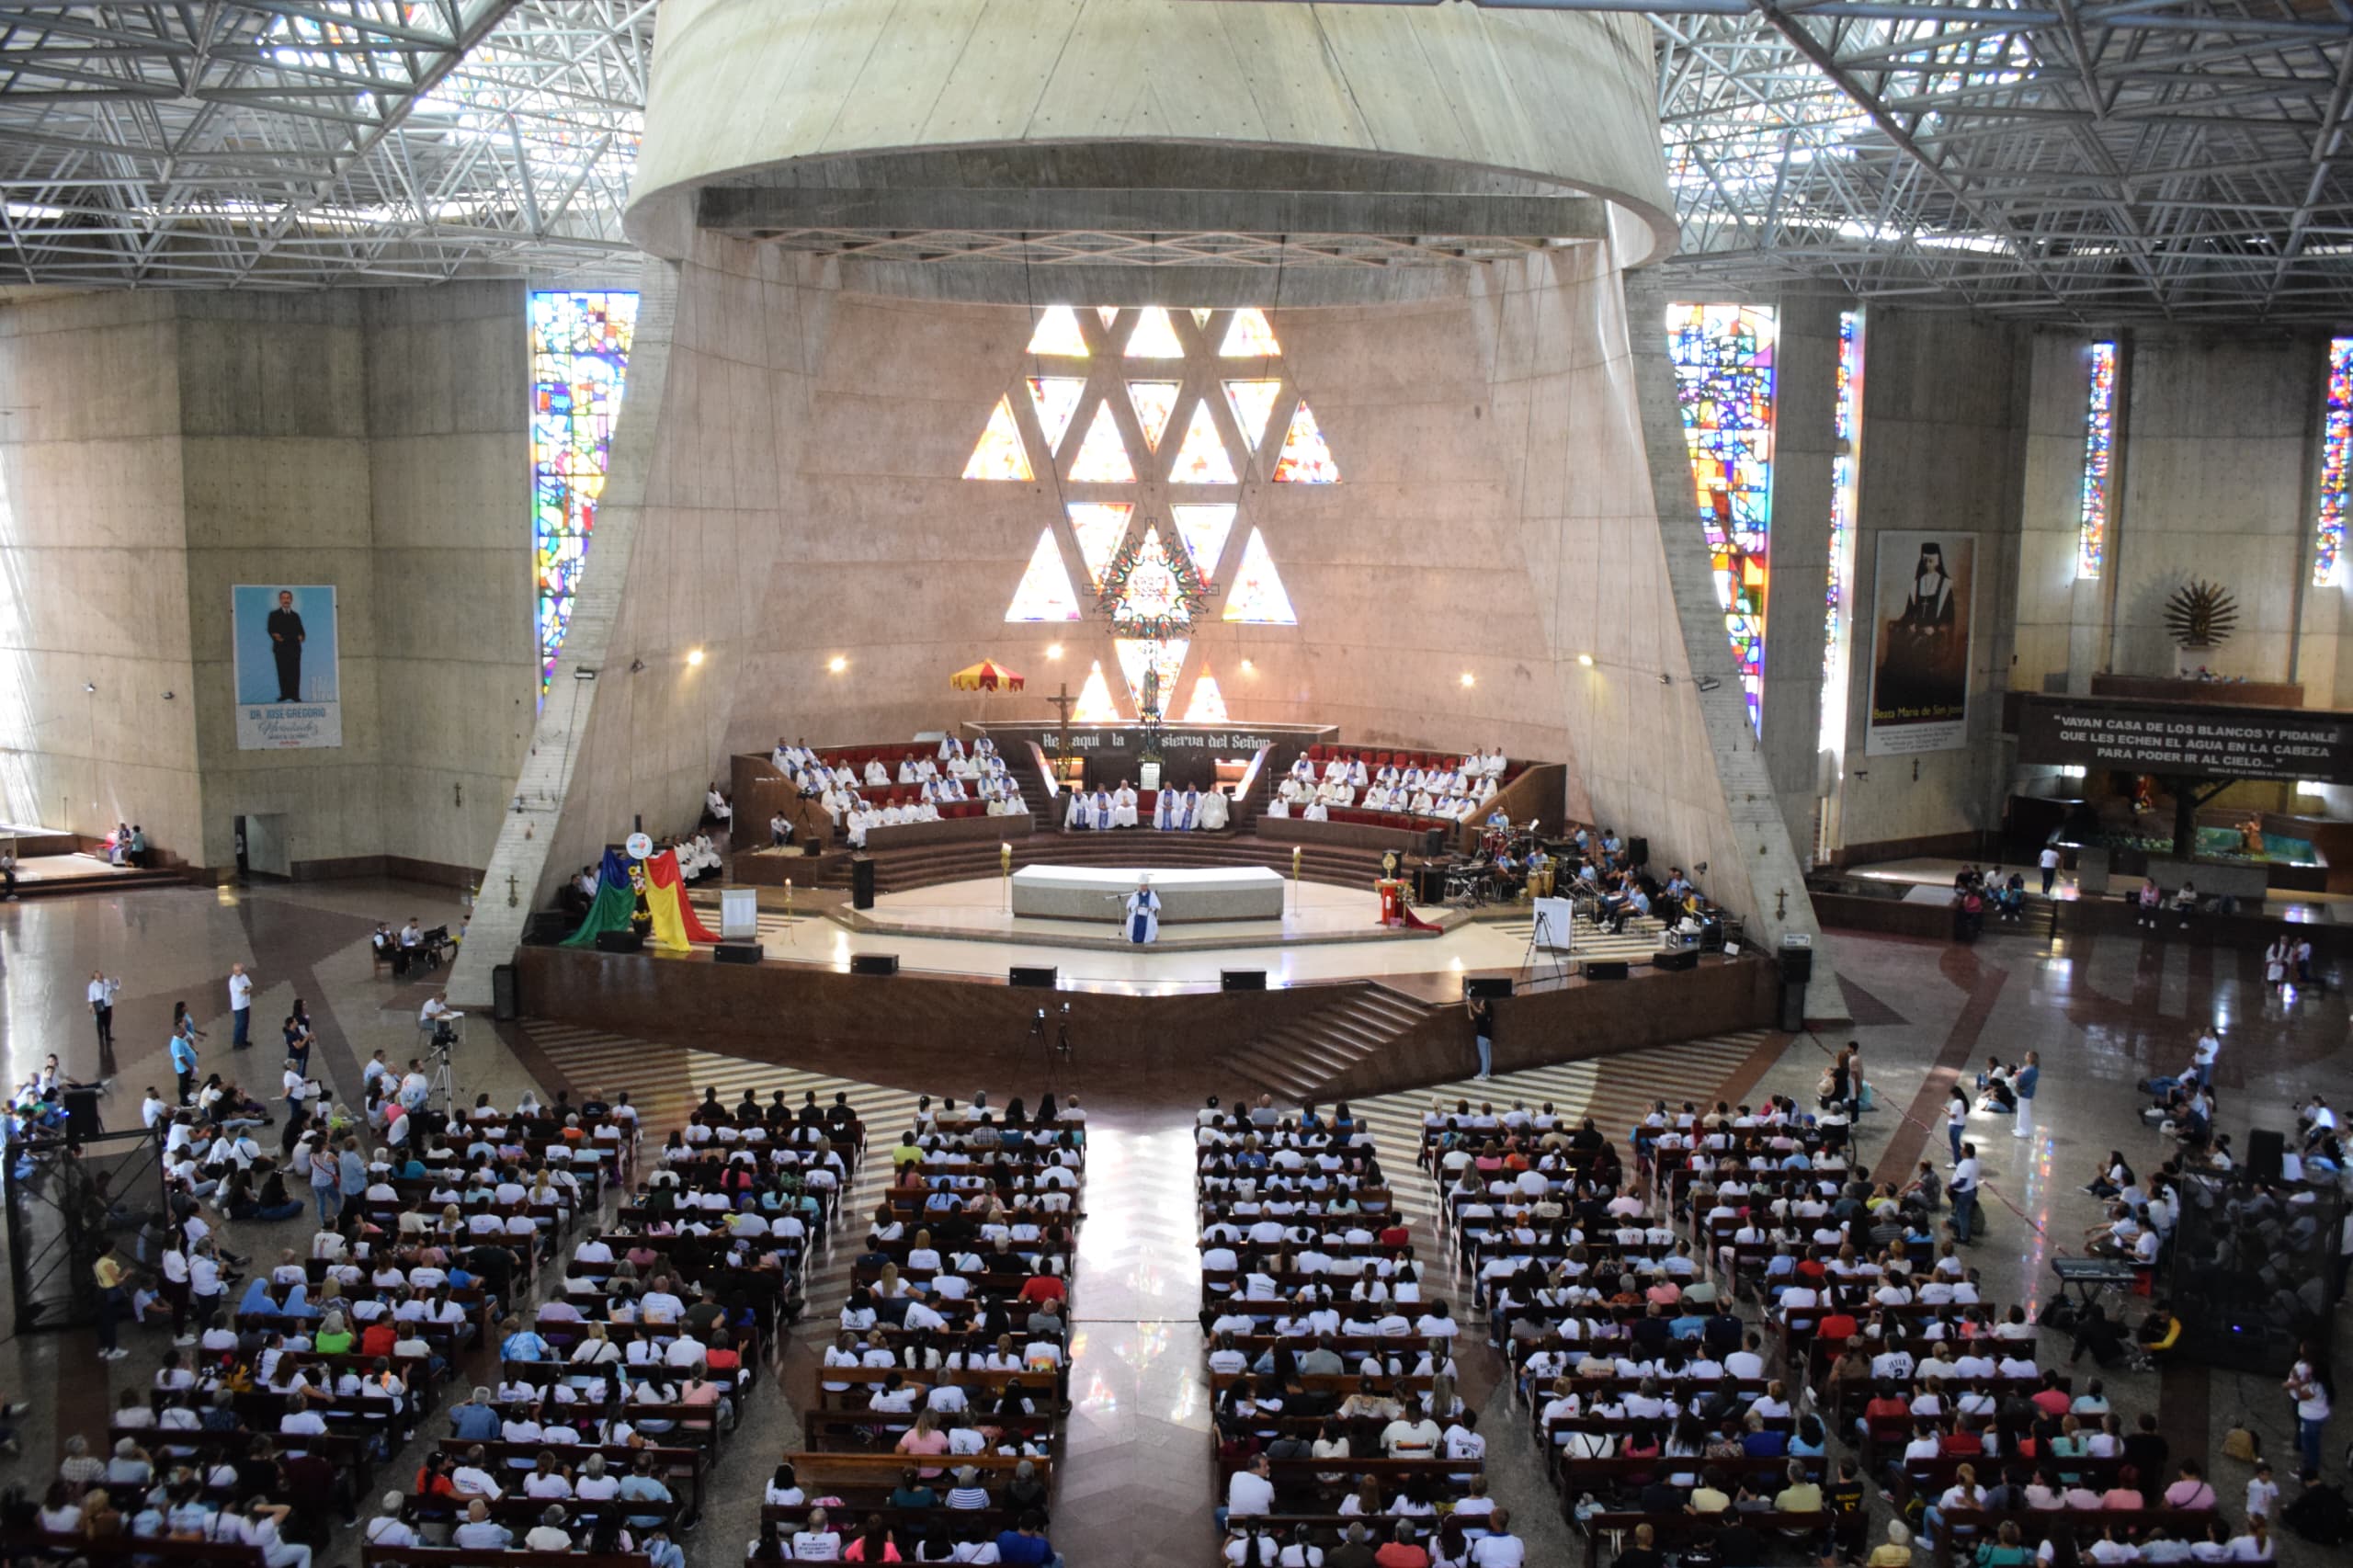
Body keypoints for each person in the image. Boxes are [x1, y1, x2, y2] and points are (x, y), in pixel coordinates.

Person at [266, 588, 306, 701]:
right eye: (284, 598)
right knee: (282, 671)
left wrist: (302, 636)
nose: (286, 600)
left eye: (288, 598)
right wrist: (279, 636)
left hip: (294, 649)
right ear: (280, 600)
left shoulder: (295, 616)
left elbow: (301, 632)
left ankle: (295, 695)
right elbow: (272, 630)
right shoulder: (274, 615)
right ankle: (284, 694)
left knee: (295, 672)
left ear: (291, 600)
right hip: (281, 649)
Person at [1464, 992, 1495, 1081]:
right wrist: (1471, 1003)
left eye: (1481, 1002)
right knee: (1488, 1056)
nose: (1480, 1003)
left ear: (1484, 1006)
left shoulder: (1482, 1016)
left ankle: (1483, 1074)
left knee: (1483, 1056)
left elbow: (1471, 1017)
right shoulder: (1489, 1014)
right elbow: (1478, 1010)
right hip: (1488, 1037)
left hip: (1481, 1037)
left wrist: (1468, 1007)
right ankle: (1487, 1073)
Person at [1124, 878, 1161, 946]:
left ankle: (1148, 938)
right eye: (1141, 886)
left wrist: (1151, 908)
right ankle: (1134, 938)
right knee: (1132, 920)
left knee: (1149, 920)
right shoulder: (1136, 894)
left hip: (1148, 912)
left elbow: (1157, 906)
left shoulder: (1152, 894)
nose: (1143, 887)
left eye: (1144, 886)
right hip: (1137, 912)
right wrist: (1135, 907)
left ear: (1147, 886)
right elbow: (1129, 905)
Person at [88, 971, 119, 1051]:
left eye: (101, 975)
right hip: (99, 1006)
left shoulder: (106, 981)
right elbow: (91, 998)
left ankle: (108, 1037)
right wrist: (92, 1007)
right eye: (98, 976)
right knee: (100, 1023)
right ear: (95, 977)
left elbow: (110, 991)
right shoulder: (92, 986)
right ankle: (101, 1037)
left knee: (108, 1021)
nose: (100, 976)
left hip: (108, 1005)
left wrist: (114, 988)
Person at [2013, 1052, 2040, 1139]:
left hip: (2025, 1093)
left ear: (2031, 1058)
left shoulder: (2031, 1070)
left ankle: (2024, 1131)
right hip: (2025, 1093)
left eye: (2027, 1055)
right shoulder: (2030, 1068)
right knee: (2021, 1111)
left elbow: (2022, 1079)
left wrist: (2018, 1077)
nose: (2025, 1056)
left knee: (2024, 1112)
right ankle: (2020, 1128)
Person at [228, 962, 254, 1050]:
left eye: (242, 969)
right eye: (241, 970)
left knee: (245, 1023)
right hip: (239, 1006)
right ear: (235, 971)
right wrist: (247, 989)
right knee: (240, 1025)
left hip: (246, 1003)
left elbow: (250, 985)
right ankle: (237, 1043)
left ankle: (243, 1040)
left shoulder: (243, 976)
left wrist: (247, 989)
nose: (242, 971)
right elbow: (243, 992)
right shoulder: (233, 981)